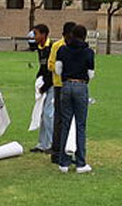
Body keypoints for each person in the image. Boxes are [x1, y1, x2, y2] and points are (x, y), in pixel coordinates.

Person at [55, 23, 95, 173]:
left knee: (65, 122)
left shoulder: (62, 49)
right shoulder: (88, 52)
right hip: (80, 85)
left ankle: (63, 162)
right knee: (80, 125)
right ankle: (80, 162)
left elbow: (58, 69)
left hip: (66, 85)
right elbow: (91, 73)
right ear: (84, 36)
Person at [46, 21, 74, 164]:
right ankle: (56, 151)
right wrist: (60, 69)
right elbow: (50, 65)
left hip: (70, 85)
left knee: (69, 119)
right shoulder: (57, 46)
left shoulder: (73, 46)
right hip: (59, 85)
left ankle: (67, 149)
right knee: (59, 119)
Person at [30, 24, 55, 154]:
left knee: (48, 114)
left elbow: (52, 70)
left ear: (44, 34)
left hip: (53, 84)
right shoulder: (40, 48)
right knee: (42, 114)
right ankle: (43, 144)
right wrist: (39, 78)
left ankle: (53, 144)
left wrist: (45, 86)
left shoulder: (52, 47)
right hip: (45, 83)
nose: (34, 36)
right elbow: (43, 66)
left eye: (36, 34)